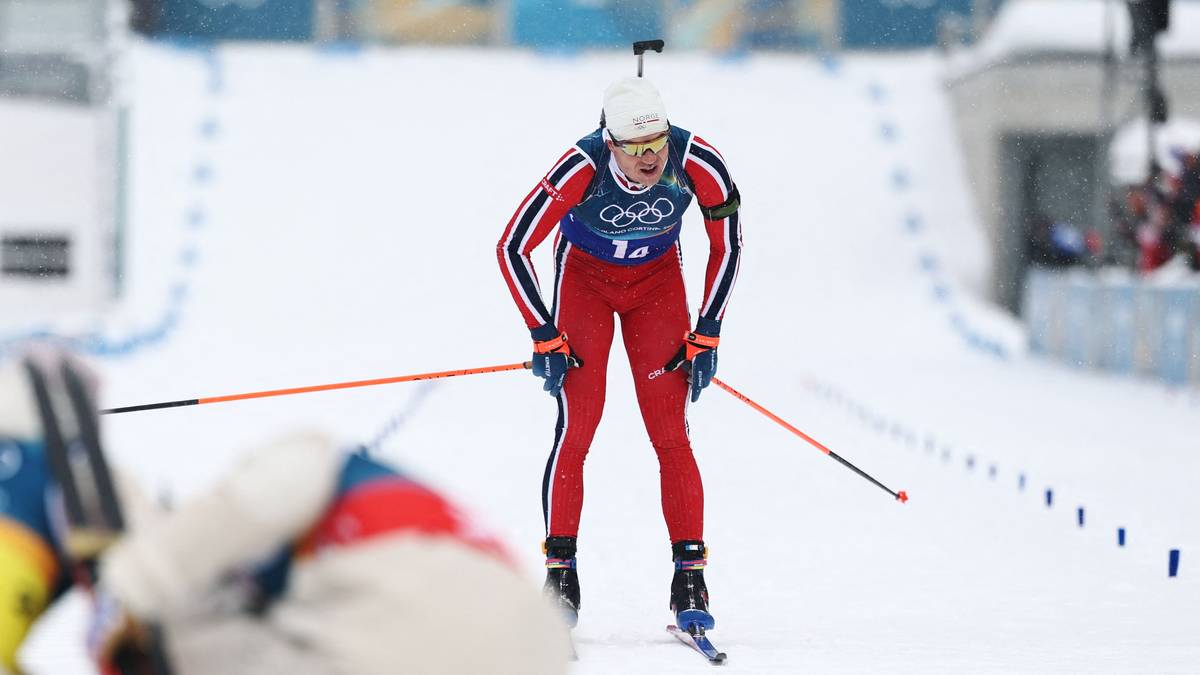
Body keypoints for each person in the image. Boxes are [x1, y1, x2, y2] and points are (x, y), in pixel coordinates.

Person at [0, 353, 570, 675]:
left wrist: (133, 586)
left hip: (404, 630)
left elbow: (260, 493)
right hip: (524, 647)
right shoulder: (366, 533)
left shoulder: (314, 469)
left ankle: (38, 473)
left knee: (182, 627)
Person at [496, 75, 742, 634]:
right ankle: (561, 576)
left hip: (657, 287)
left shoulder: (697, 160)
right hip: (585, 283)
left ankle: (690, 577)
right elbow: (512, 246)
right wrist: (543, 333)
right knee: (578, 427)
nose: (651, 157)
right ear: (611, 143)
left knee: (670, 432)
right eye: (636, 148)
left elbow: (728, 243)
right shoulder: (579, 167)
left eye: (658, 142)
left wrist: (708, 330)